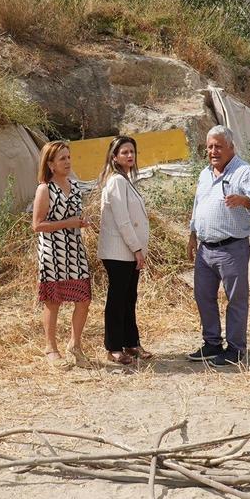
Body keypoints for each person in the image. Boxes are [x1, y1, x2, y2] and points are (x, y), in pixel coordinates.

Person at [186, 125, 250, 367]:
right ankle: (212, 343)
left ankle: (235, 349)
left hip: (232, 249)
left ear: (231, 147)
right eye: (210, 146)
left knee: (236, 300)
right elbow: (197, 205)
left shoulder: (244, 172)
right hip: (205, 249)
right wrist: (192, 234)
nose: (213, 151)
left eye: (219, 146)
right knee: (203, 296)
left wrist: (244, 200)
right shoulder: (204, 174)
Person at [32, 141, 92, 369]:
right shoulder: (44, 189)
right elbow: (37, 225)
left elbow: (75, 216)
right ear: (50, 164)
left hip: (74, 249)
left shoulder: (75, 186)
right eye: (62, 159)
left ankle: (75, 345)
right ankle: (51, 348)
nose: (67, 162)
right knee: (53, 300)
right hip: (53, 251)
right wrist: (67, 223)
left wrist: (81, 223)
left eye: (68, 157)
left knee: (84, 299)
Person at [97, 135, 151, 366]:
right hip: (119, 251)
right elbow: (123, 220)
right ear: (114, 157)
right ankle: (114, 347)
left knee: (129, 298)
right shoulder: (117, 182)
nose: (130, 156)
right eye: (124, 152)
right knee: (118, 299)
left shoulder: (125, 180)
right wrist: (137, 249)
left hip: (128, 251)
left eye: (132, 152)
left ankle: (131, 342)